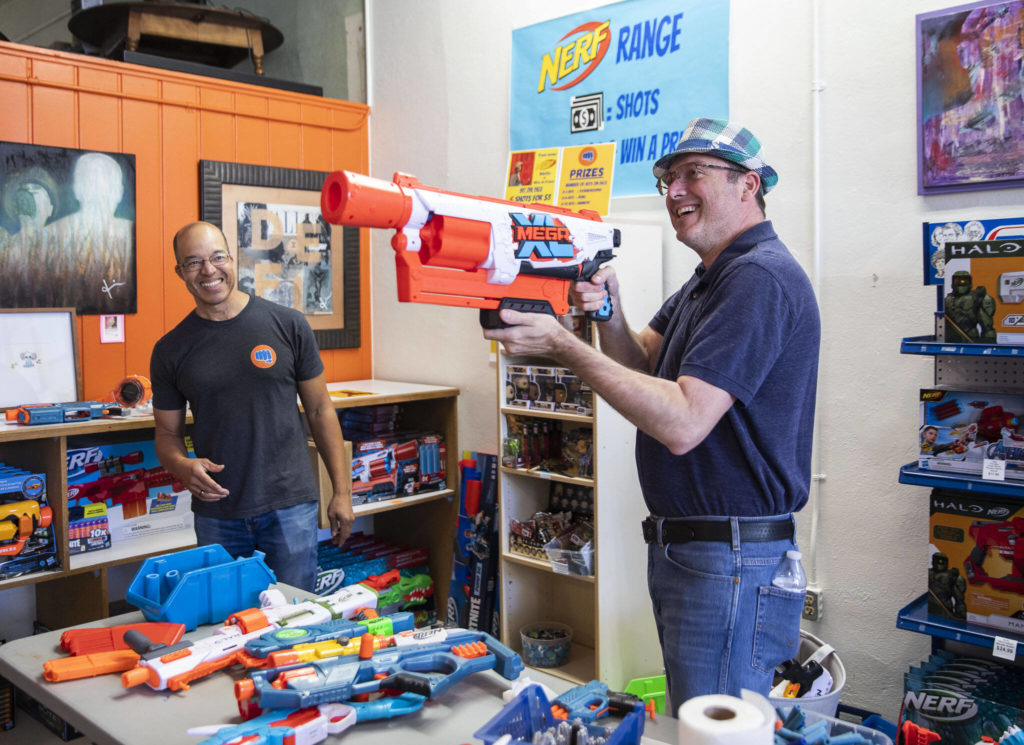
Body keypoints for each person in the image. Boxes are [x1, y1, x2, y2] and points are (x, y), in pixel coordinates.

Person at [484, 118, 821, 708]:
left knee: (713, 726)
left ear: (749, 185)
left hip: (730, 557)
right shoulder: (708, 278)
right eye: (668, 178)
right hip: (697, 552)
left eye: (695, 174)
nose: (675, 191)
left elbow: (684, 421)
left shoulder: (757, 277)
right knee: (700, 715)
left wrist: (564, 345)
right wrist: (607, 311)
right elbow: (642, 357)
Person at [150, 221, 354, 591]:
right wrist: (182, 465)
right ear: (180, 272)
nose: (208, 271)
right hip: (218, 512)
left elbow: (322, 411)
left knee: (295, 622)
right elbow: (166, 434)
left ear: (232, 259)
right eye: (194, 262)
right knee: (225, 624)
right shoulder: (170, 350)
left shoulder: (288, 325)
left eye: (216, 257)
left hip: (290, 505)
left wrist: (341, 492)